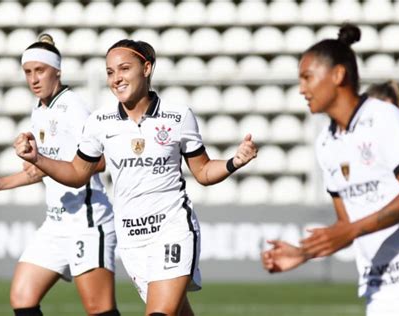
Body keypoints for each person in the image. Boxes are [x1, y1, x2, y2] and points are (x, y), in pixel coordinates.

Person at [14, 39, 258, 316]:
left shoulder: (178, 117)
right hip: (132, 240)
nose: (116, 78)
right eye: (109, 72)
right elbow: (76, 173)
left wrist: (233, 162)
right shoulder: (99, 123)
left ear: (146, 68)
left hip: (172, 230)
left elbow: (202, 171)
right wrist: (37, 159)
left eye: (124, 68)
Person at [261, 24, 399, 316]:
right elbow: (346, 225)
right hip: (380, 286)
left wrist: (351, 230)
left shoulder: (384, 119)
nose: (301, 88)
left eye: (307, 77)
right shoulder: (326, 143)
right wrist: (303, 252)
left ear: (338, 75)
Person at [0, 34, 120, 316]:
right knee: (22, 296)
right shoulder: (39, 110)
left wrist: (50, 161)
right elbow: (43, 169)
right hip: (55, 224)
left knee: (99, 309)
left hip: (87, 222)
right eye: (28, 72)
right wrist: (0, 184)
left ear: (57, 70)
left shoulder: (73, 108)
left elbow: (101, 160)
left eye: (39, 70)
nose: (33, 79)